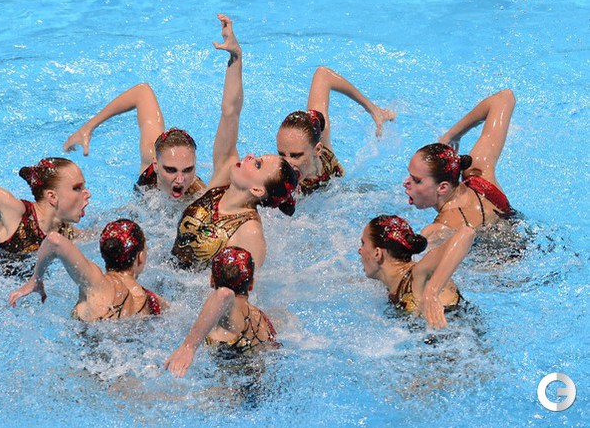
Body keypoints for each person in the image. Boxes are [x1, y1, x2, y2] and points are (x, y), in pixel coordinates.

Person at [171, 14, 298, 271]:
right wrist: (236, 57)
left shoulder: (250, 233)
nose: (250, 156)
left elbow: (242, 289)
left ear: (258, 190)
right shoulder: (221, 181)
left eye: (258, 164)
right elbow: (230, 112)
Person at [403, 89, 516, 244]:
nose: (405, 183)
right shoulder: (481, 178)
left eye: (416, 180)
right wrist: (452, 135)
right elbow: (503, 98)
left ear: (443, 187)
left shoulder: (439, 231)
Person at [64, 82, 205, 199]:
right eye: (170, 170)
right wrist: (88, 128)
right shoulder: (150, 156)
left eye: (188, 170)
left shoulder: (200, 196)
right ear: (156, 165)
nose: (180, 179)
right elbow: (142, 92)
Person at [9, 219, 167, 321]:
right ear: (141, 257)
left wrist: (35, 279)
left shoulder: (100, 285)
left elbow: (54, 240)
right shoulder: (154, 302)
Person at [0, 158, 90, 261]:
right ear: (52, 196)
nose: (87, 194)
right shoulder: (13, 212)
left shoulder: (64, 233)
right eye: (77, 188)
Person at [277, 66, 396, 195]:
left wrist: (373, 110)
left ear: (318, 149)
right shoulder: (280, 186)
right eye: (281, 154)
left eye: (296, 155)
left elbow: (323, 74)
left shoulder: (321, 136)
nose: (287, 164)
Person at [165, 246, 278, 378]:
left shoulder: (233, 314)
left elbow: (224, 294)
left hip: (232, 388)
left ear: (212, 281)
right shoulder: (261, 317)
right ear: (252, 284)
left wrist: (188, 346)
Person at [359, 215, 476, 328]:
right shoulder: (390, 286)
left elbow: (466, 234)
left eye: (363, 243)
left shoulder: (419, 275)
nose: (360, 250)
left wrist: (431, 292)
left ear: (377, 253)